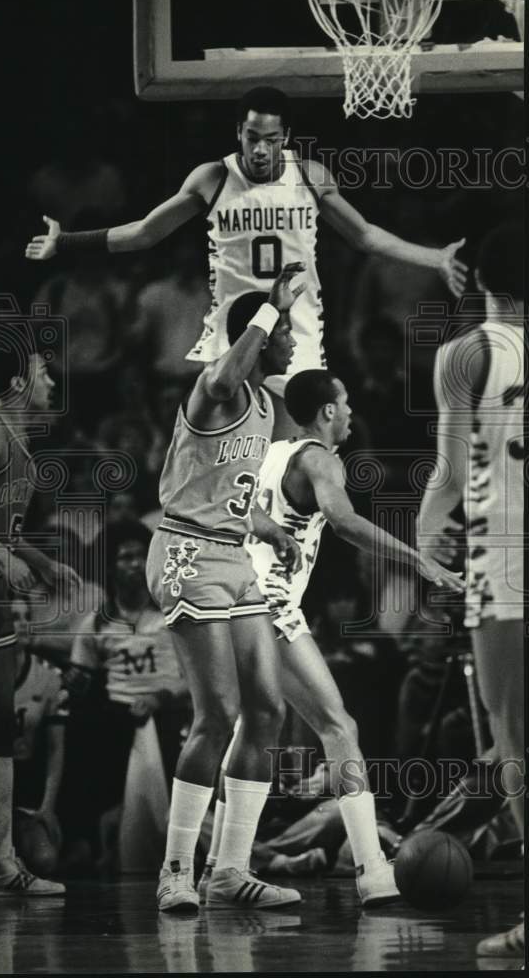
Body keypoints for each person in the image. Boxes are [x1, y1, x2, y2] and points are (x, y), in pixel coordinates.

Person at [25, 86, 468, 437]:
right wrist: (65, 242)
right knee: (230, 454)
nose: (260, 149)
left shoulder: (310, 177)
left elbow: (365, 235)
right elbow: (144, 232)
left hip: (296, 338)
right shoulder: (212, 178)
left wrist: (435, 257)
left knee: (297, 454)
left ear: (286, 138)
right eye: (252, 137)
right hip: (233, 337)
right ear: (239, 132)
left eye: (270, 140)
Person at [199, 369, 464, 907]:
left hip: (229, 599)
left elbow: (225, 503)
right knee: (338, 725)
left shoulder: (269, 452)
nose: (349, 414)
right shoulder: (321, 458)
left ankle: (218, 869)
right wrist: (422, 562)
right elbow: (343, 522)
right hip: (267, 602)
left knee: (249, 733)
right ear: (326, 412)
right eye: (344, 404)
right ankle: (373, 870)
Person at [145, 264, 305, 912]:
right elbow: (225, 370)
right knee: (216, 714)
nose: (294, 340)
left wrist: (272, 530)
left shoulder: (268, 406)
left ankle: (229, 871)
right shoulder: (216, 390)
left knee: (268, 709)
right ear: (261, 338)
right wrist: (268, 308)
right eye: (285, 330)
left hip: (232, 552)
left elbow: (232, 498)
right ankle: (176, 870)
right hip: (185, 550)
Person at [417, 222, 524, 960]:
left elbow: (451, 479)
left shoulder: (465, 352)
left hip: (504, 558)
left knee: (513, 738)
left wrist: (425, 536)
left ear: (476, 279)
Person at [0, 321, 80, 896]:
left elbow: (1, 527)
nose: (52, 381)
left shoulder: (22, 448)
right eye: (44, 373)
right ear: (19, 383)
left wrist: (41, 561)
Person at [67, 519, 190, 862]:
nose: (135, 563)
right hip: (117, 715)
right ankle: (91, 840)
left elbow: (195, 678)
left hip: (167, 710)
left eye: (140, 556)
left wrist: (160, 697)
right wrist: (73, 684)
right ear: (111, 566)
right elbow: (81, 677)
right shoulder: (96, 622)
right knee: (81, 732)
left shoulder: (171, 615)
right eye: (126, 557)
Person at [11, 599, 67, 879]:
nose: (21, 622)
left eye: (26, 616)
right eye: (13, 616)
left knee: (45, 860)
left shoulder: (48, 675)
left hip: (25, 786)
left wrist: (48, 807)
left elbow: (56, 750)